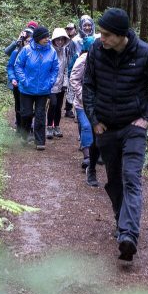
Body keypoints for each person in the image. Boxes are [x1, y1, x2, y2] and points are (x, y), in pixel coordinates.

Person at [82, 8, 148, 262]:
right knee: (115, 181)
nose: (101, 38)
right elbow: (88, 86)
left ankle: (128, 234)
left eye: (106, 34)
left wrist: (146, 119)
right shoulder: (97, 50)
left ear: (120, 35)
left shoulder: (144, 52)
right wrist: (94, 120)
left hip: (133, 128)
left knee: (131, 177)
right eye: (101, 33)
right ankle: (122, 222)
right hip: (106, 128)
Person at [14, 25, 59, 150]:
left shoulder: (52, 51)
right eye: (44, 37)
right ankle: (25, 135)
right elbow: (18, 66)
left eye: (47, 36)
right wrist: (24, 80)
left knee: (40, 115)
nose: (47, 39)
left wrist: (50, 82)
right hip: (26, 89)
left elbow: (55, 69)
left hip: (43, 90)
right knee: (26, 114)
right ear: (38, 38)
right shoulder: (26, 50)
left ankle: (40, 141)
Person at [68, 37, 99, 185]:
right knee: (87, 126)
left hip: (99, 104)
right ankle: (87, 157)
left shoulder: (103, 58)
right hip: (82, 103)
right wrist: (83, 96)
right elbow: (74, 78)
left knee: (97, 130)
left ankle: (95, 154)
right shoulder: (82, 60)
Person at [46, 28, 71, 139]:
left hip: (61, 84)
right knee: (53, 104)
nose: (60, 41)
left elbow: (65, 69)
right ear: (54, 40)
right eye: (58, 39)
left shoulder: (65, 51)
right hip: (51, 85)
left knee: (59, 106)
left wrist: (65, 82)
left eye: (62, 39)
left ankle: (56, 126)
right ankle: (49, 127)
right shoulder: (49, 51)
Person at [6, 27, 33, 129]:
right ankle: (20, 127)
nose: (29, 43)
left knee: (28, 107)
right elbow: (10, 67)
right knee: (19, 106)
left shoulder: (36, 54)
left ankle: (28, 127)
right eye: (27, 41)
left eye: (31, 41)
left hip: (29, 84)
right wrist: (13, 78)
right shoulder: (16, 52)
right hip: (17, 84)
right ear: (23, 41)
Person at [63, 23, 80, 118]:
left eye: (71, 29)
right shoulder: (64, 39)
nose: (69, 30)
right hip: (64, 64)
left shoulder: (78, 40)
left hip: (75, 64)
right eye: (67, 29)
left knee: (73, 87)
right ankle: (68, 108)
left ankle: (70, 109)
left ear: (75, 29)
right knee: (66, 87)